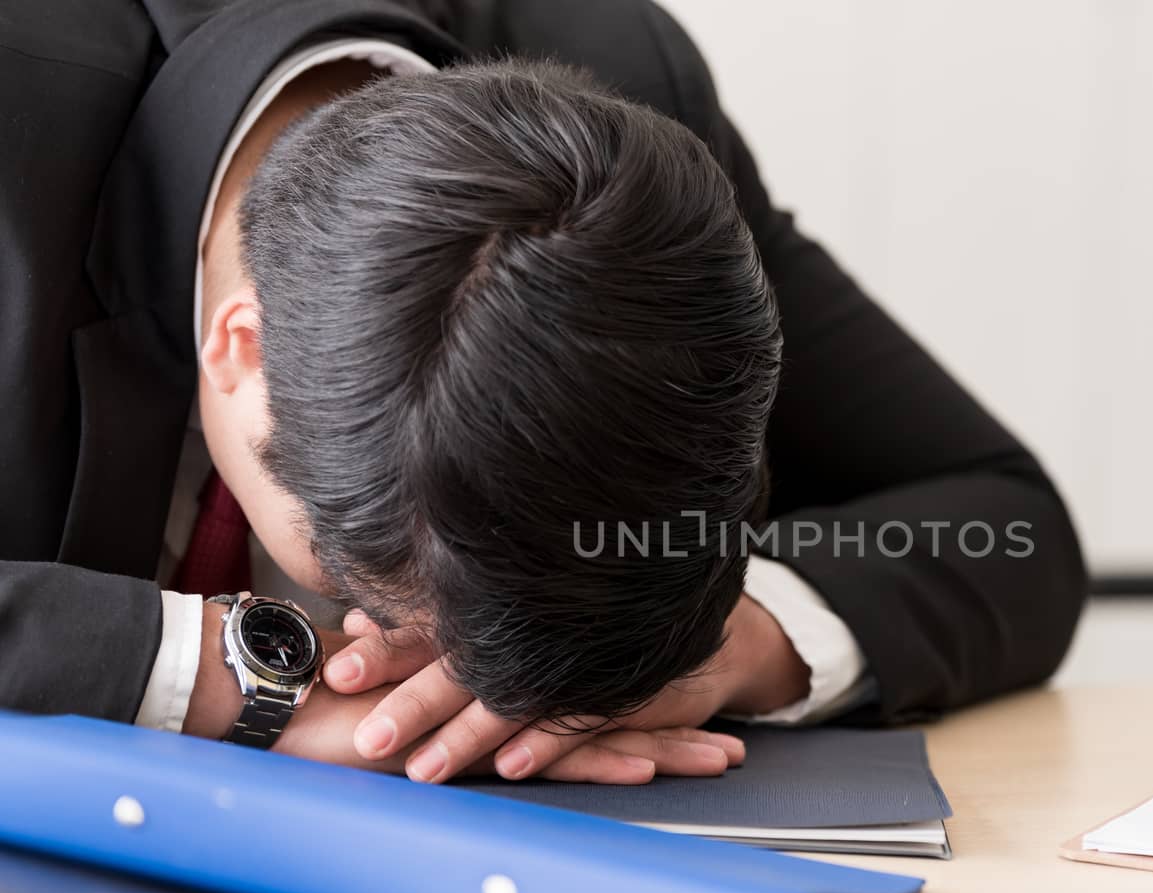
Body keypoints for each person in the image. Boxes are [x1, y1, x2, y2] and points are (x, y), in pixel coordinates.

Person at [0, 0, 1087, 786]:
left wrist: (732, 643)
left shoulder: (625, 144)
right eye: (383, 602)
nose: (450, 682)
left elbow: (1006, 524)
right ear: (246, 350)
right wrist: (215, 676)